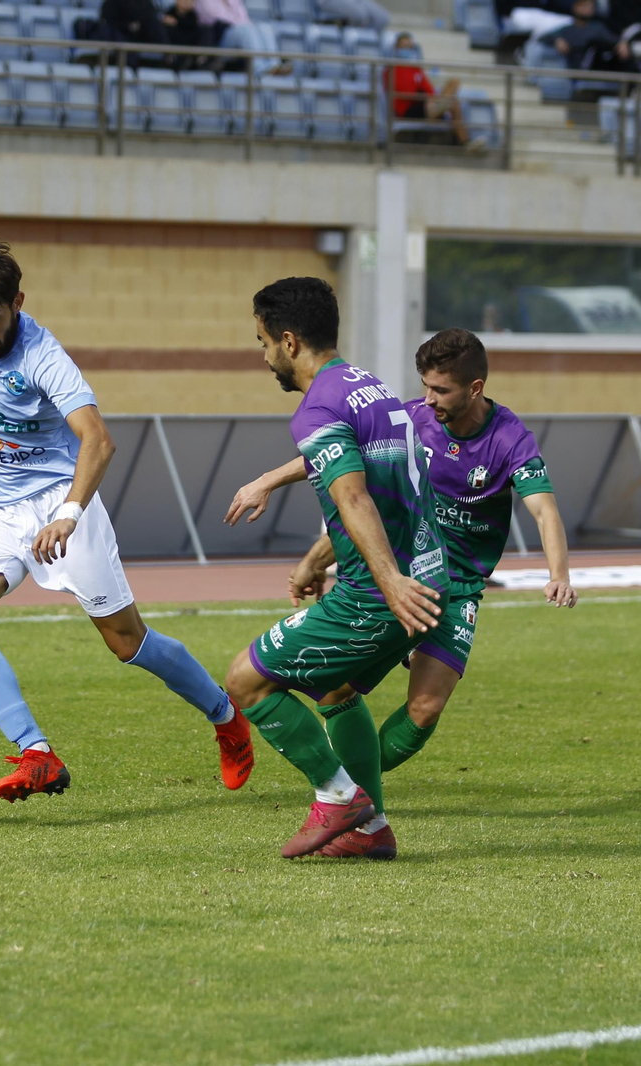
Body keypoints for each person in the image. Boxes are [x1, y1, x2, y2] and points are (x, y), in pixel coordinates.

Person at [0, 241, 254, 804]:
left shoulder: (44, 357)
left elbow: (99, 441)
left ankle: (225, 716)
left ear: (17, 302)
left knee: (127, 642)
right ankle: (37, 753)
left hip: (60, 500)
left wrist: (69, 514)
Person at [226, 326, 577, 859]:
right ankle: (357, 808)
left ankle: (348, 793)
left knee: (425, 708)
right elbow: (342, 468)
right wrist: (275, 489)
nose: (429, 399)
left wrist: (558, 573)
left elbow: (544, 509)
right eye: (425, 386)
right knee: (337, 690)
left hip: (454, 587)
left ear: (475, 388)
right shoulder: (410, 417)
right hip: (401, 570)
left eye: (441, 390)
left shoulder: (509, 438)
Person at [220, 277, 462, 860]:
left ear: (289, 341)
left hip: (380, 596)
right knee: (336, 689)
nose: (265, 357)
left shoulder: (316, 408)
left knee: (244, 681)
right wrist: (272, 484)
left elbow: (354, 497)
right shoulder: (368, 387)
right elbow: (363, 470)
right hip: (433, 580)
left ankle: (338, 798)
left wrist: (387, 583)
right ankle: (370, 830)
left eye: (264, 343)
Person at [391, 32, 484, 150]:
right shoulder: (392, 68)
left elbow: (429, 90)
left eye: (409, 47)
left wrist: (431, 99)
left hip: (425, 105)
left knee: (454, 83)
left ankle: (464, 141)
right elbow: (406, 93)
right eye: (404, 47)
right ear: (397, 48)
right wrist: (427, 97)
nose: (407, 50)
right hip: (409, 110)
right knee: (453, 103)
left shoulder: (415, 69)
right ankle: (465, 142)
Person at [541, 0, 634, 74]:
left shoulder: (597, 28)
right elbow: (543, 38)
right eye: (583, 6)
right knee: (594, 45)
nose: (586, 9)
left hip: (597, 65)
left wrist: (622, 43)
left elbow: (612, 39)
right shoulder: (567, 30)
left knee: (600, 46)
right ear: (575, 7)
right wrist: (557, 39)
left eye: (589, 6)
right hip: (576, 67)